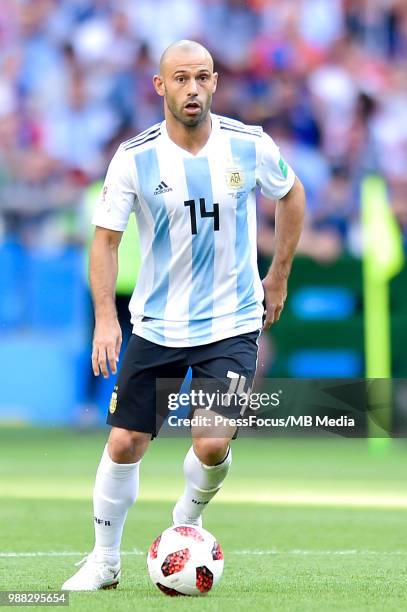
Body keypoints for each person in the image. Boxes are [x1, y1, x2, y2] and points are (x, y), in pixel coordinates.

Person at [62, 40, 305, 591]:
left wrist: (279, 274)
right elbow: (104, 241)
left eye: (201, 78)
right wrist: (107, 317)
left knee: (214, 441)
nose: (191, 89)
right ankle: (104, 561)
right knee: (125, 442)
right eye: (180, 79)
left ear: (215, 82)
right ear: (160, 86)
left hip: (233, 320)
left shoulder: (250, 145)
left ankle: (188, 520)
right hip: (157, 323)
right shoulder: (135, 157)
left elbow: (292, 195)